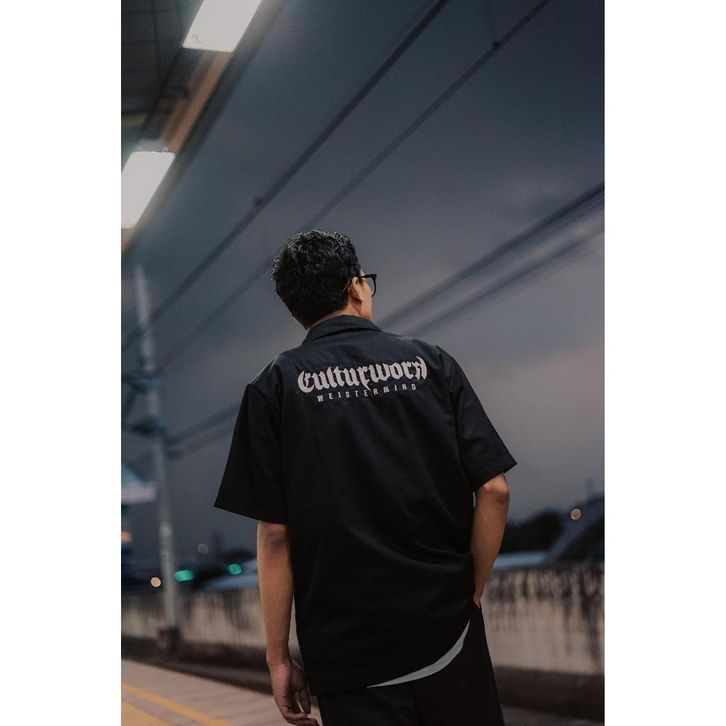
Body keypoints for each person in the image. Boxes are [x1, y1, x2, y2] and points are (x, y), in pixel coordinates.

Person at [214, 229, 516, 725]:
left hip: (346, 650)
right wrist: (471, 592)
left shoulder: (274, 387)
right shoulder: (433, 363)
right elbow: (494, 489)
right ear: (357, 287)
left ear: (296, 311)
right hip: (447, 632)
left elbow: (275, 536)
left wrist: (278, 658)